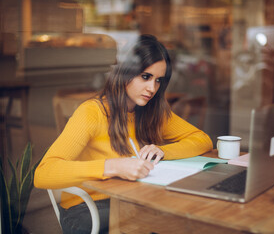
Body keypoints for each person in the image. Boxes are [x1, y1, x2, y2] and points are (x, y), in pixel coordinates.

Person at [34, 34, 213, 234]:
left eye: (158, 80)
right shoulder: (93, 112)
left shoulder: (153, 112)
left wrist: (163, 151)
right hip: (89, 209)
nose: (152, 88)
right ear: (125, 72)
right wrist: (112, 166)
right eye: (145, 77)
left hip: (133, 199)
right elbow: (43, 173)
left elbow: (202, 140)